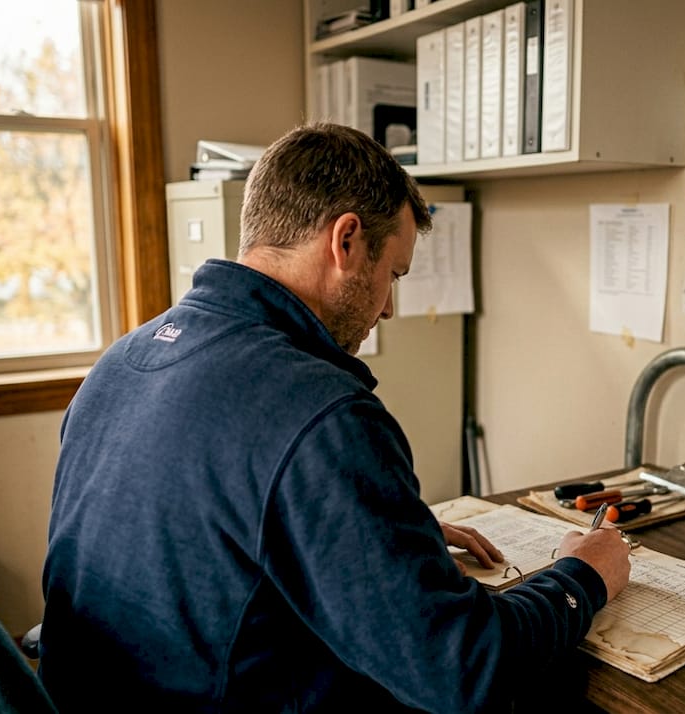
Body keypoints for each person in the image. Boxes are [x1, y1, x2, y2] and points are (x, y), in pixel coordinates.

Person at [39, 122, 631, 712]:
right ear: (346, 242)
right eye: (393, 274)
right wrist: (584, 577)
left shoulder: (122, 362)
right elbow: (461, 668)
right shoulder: (322, 412)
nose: (390, 308)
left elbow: (201, 531)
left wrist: (373, 533)